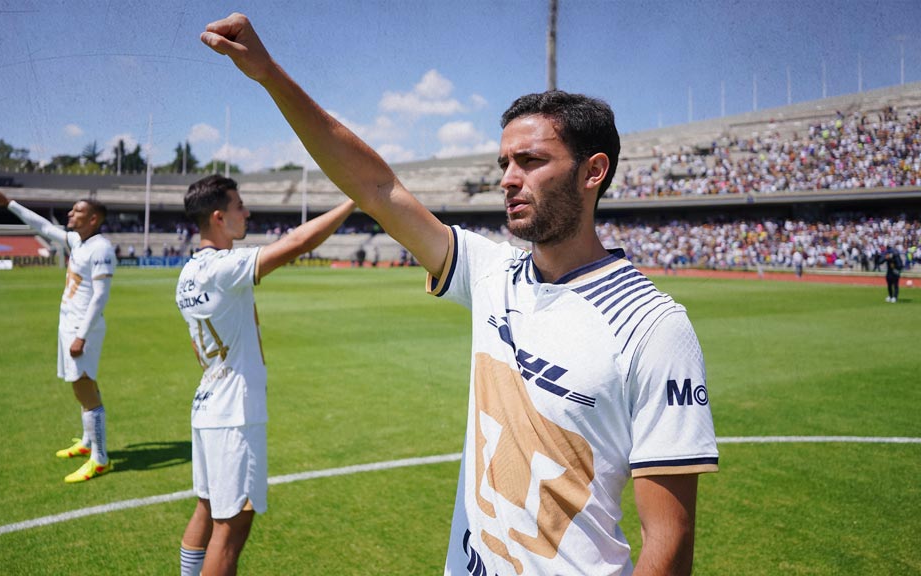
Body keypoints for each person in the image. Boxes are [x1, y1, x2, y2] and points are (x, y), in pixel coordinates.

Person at [200, 12, 718, 576]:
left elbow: (668, 541)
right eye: (504, 164)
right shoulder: (493, 273)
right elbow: (377, 187)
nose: (507, 179)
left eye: (532, 161)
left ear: (593, 171)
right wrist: (270, 75)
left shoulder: (654, 326)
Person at [176, 174, 355, 576]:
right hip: (234, 414)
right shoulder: (225, 267)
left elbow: (196, 348)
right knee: (232, 527)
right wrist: (353, 201)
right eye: (240, 206)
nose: (248, 212)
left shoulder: (186, 274)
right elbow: (297, 243)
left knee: (206, 509)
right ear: (219, 217)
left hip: (207, 404)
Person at [0, 190, 116, 483]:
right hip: (69, 324)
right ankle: (87, 441)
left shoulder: (101, 249)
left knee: (84, 387)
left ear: (93, 219)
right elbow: (42, 226)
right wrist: (10, 204)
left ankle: (101, 459)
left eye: (77, 210)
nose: (70, 214)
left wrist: (81, 335)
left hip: (84, 328)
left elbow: (100, 297)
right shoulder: (76, 241)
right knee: (84, 384)